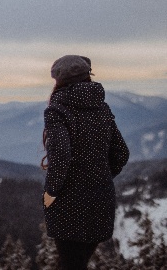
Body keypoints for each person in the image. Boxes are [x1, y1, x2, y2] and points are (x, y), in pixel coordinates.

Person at [41, 55, 129, 270]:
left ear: (59, 81)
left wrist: (50, 193)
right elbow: (121, 153)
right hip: (101, 202)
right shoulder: (102, 108)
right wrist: (101, 178)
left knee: (70, 263)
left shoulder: (58, 111)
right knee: (77, 263)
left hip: (70, 204)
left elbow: (61, 156)